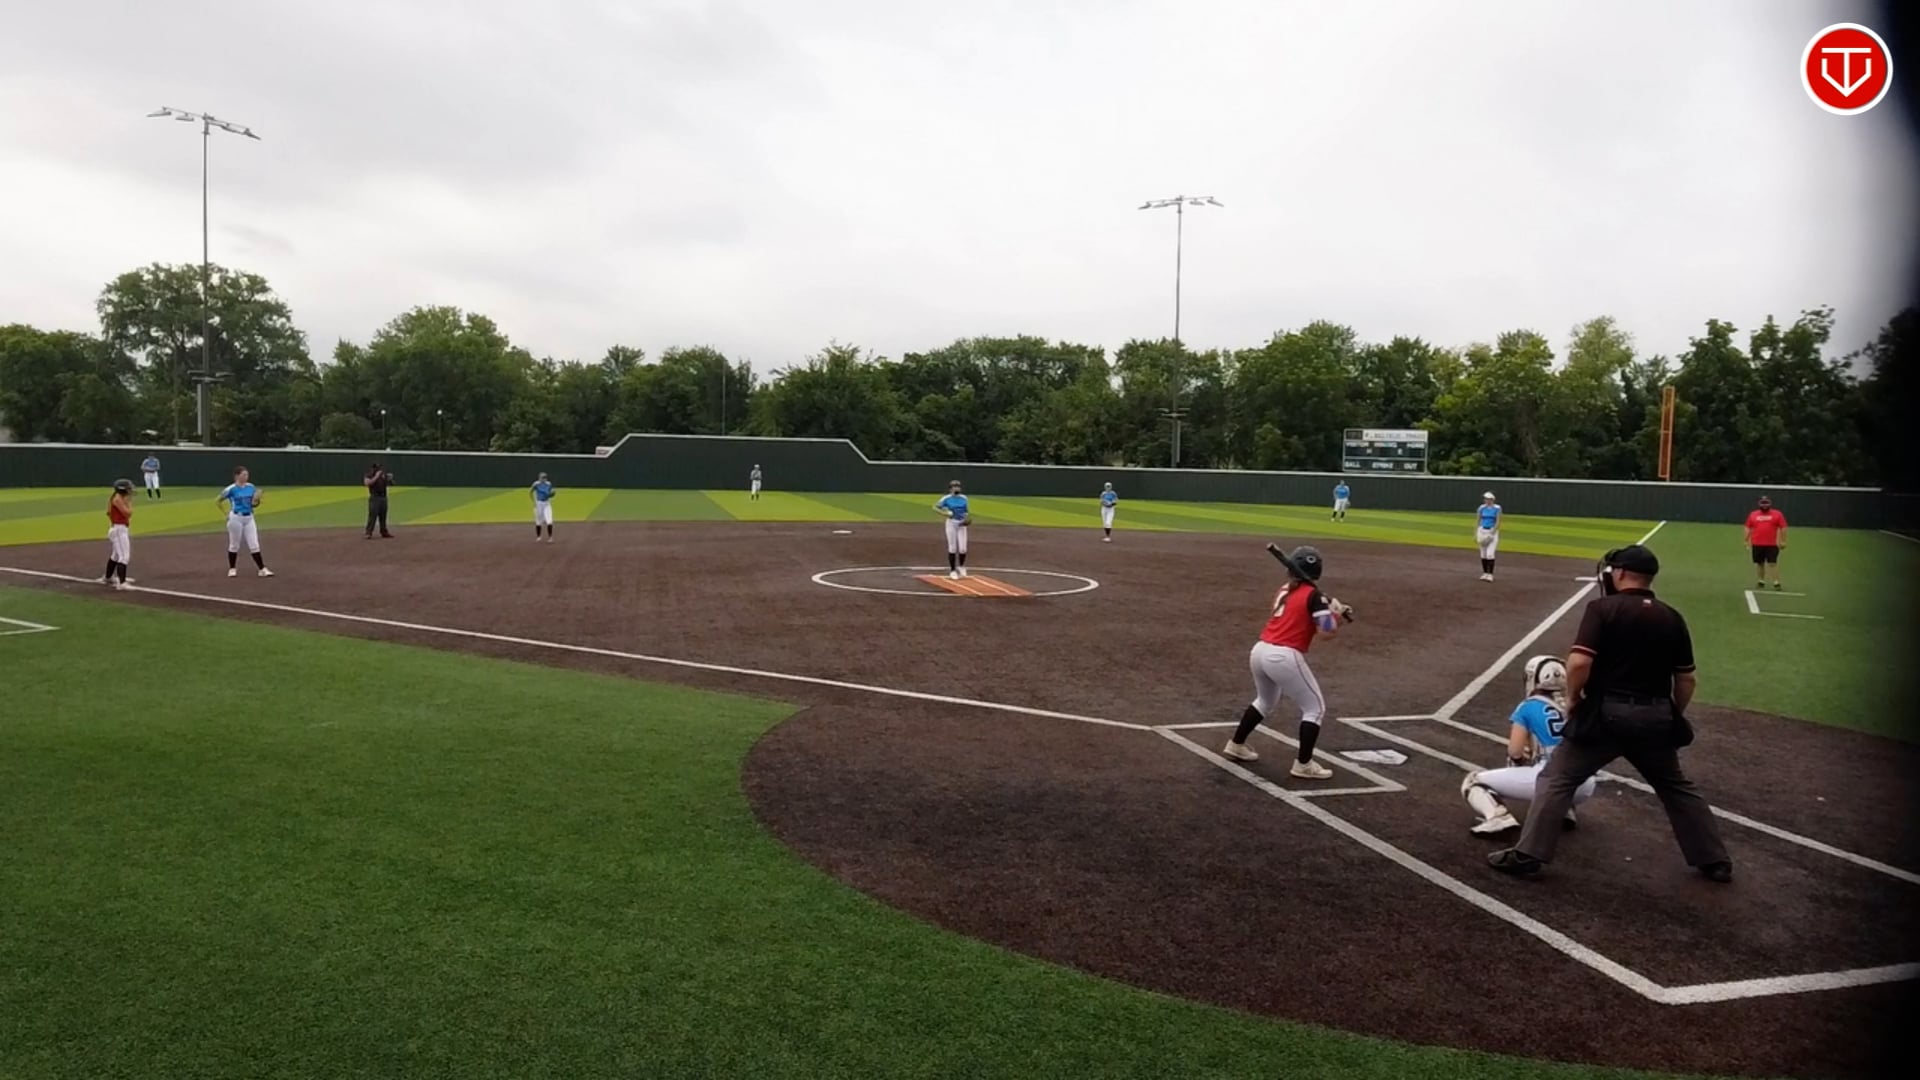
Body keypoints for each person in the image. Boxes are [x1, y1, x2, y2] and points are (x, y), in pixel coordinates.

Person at [1488, 544, 1732, 882]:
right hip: (1655, 717)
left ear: (1619, 573)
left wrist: (1573, 699)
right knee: (1676, 787)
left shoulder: (1603, 608)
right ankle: (1715, 860)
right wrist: (1672, 713)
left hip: (1605, 716)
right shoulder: (1671, 616)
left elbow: (1579, 662)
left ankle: (1529, 854)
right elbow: (1687, 678)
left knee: (1556, 779)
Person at [1220, 545, 1353, 780]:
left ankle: (1236, 744)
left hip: (1260, 651)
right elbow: (1326, 632)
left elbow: (1308, 616)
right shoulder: (1314, 596)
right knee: (1315, 709)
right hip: (1283, 656)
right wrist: (1337, 616)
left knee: (1265, 701)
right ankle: (1304, 764)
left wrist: (1330, 610)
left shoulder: (1286, 589)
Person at [1461, 655, 1594, 835]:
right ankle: (1564, 810)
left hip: (1553, 780)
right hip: (1586, 783)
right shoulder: (1577, 704)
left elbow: (1515, 751)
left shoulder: (1528, 706)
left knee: (1473, 781)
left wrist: (1521, 760)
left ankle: (1497, 817)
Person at [216, 465, 274, 578]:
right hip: (236, 518)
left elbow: (253, 504)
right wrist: (225, 513)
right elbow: (218, 501)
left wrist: (256, 500)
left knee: (254, 544)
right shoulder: (231, 489)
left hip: (249, 518)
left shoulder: (251, 487)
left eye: (247, 474)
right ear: (237, 476)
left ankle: (262, 569)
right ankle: (232, 569)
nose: (246, 476)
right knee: (234, 544)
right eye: (244, 474)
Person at [1745, 495, 1787, 591]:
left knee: (1772, 563)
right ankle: (1761, 581)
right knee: (1759, 563)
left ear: (1770, 503)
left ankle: (1776, 582)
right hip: (1757, 543)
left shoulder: (1777, 514)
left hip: (1772, 544)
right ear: (1759, 504)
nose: (1764, 505)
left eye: (1766, 503)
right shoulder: (1753, 514)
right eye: (1763, 503)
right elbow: (1747, 527)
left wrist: (1783, 541)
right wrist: (1746, 540)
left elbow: (1783, 527)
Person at [103, 479, 135, 589]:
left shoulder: (116, 497)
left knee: (116, 555)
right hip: (119, 529)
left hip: (118, 528)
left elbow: (109, 512)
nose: (130, 490)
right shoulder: (118, 499)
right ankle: (122, 583)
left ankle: (108, 577)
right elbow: (128, 513)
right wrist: (129, 503)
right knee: (124, 556)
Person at [934, 480, 970, 580]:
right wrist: (944, 513)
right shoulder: (946, 498)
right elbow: (936, 507)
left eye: (958, 486)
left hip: (961, 524)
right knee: (952, 547)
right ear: (950, 488)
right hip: (951, 523)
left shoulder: (964, 498)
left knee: (963, 548)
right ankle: (953, 570)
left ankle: (961, 567)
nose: (957, 488)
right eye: (955, 486)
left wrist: (966, 519)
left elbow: (966, 511)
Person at [1475, 492, 1502, 581]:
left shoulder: (1497, 508)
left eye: (1488, 499)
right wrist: (1476, 533)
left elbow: (1498, 521)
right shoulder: (1481, 508)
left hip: (1492, 531)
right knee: (1483, 554)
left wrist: (1492, 533)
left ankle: (1490, 574)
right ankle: (1485, 573)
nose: (1486, 500)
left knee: (1490, 554)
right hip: (1482, 530)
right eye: (1485, 499)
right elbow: (1478, 520)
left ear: (1492, 500)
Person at [363, 462, 394, 539]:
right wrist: (376, 476)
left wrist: (390, 479)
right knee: (372, 515)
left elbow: (391, 484)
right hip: (375, 497)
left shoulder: (383, 476)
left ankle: (384, 532)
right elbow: (367, 483)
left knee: (383, 516)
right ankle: (368, 532)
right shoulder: (369, 475)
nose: (379, 469)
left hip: (383, 497)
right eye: (376, 468)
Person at [530, 472, 557, 542]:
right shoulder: (536, 484)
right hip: (539, 504)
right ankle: (539, 536)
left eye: (545, 478)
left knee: (549, 520)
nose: (543, 479)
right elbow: (530, 492)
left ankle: (550, 537)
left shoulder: (549, 484)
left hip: (546, 503)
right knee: (538, 521)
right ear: (539, 478)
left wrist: (552, 494)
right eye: (542, 478)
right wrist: (534, 502)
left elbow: (550, 493)